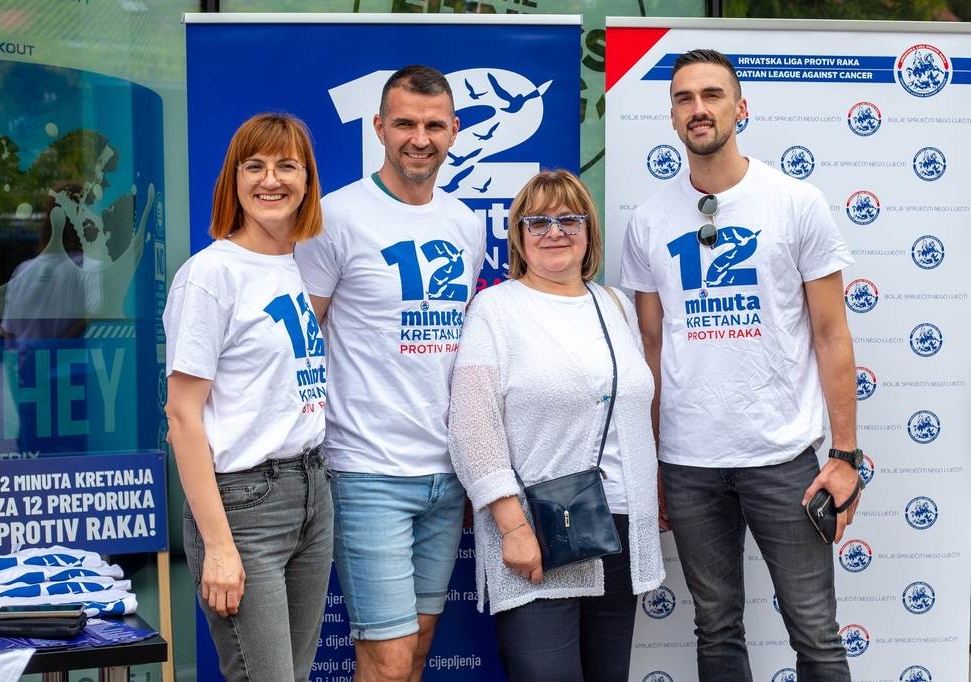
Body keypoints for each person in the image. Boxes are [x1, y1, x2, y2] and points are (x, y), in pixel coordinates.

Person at [620, 49, 861, 680]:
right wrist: (650, 461)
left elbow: (833, 334)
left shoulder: (795, 202)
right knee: (716, 626)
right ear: (672, 116)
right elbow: (651, 347)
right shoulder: (647, 221)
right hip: (689, 460)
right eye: (683, 98)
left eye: (712, 95)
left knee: (815, 630)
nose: (698, 109)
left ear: (740, 107)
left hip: (784, 457)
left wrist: (845, 454)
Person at [294, 65, 485, 682]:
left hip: (445, 474)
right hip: (366, 471)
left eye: (434, 125)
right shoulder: (334, 218)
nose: (419, 138)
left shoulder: (465, 222)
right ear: (379, 127)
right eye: (404, 123)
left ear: (455, 130)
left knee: (419, 647)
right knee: (387, 657)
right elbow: (300, 341)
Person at [449, 170, 665, 681]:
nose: (555, 231)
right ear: (519, 236)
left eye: (570, 219)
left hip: (621, 529)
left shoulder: (615, 306)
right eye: (538, 221)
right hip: (541, 534)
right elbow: (472, 425)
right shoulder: (495, 309)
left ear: (589, 231)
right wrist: (513, 527)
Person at [164, 113, 331, 682]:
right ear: (232, 180)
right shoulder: (210, 275)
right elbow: (183, 418)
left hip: (312, 490)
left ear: (308, 179)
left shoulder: (297, 265)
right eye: (253, 166)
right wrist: (218, 546)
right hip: (243, 504)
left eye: (288, 165)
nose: (271, 180)